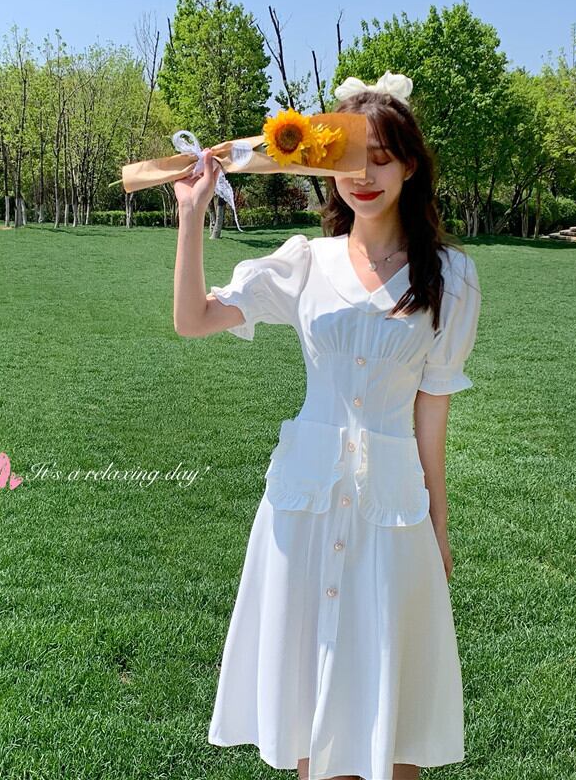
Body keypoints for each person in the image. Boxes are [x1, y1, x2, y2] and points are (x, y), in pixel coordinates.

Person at [173, 71, 482, 780]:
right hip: (302, 510)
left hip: (392, 512)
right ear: (324, 165)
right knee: (310, 710)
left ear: (410, 166)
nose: (364, 176)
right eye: (348, 158)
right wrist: (192, 216)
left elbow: (432, 412)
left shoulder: (452, 278)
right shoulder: (304, 263)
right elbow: (193, 320)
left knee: (392, 725)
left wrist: (438, 526)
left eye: (382, 157)